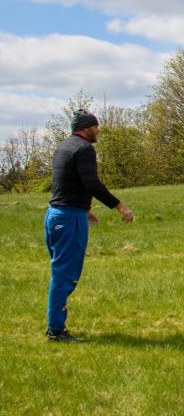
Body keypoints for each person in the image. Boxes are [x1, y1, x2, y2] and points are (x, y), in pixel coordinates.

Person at [44, 109, 135, 342]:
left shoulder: (63, 147)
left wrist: (87, 208)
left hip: (55, 216)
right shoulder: (84, 149)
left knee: (60, 272)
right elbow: (92, 184)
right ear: (85, 127)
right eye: (95, 126)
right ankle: (56, 330)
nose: (98, 130)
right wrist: (120, 207)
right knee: (65, 274)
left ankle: (55, 325)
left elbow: (66, 184)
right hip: (68, 219)